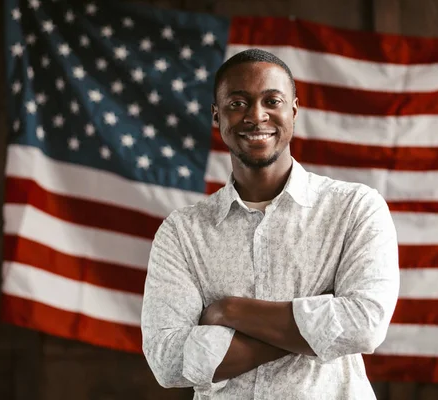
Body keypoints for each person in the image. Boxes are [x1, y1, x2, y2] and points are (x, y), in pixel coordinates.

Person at [141, 48, 400, 399]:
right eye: (237, 103)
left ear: (293, 110)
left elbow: (364, 324)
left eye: (272, 101)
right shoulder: (182, 232)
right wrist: (316, 326)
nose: (256, 115)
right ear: (216, 116)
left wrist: (229, 311)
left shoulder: (355, 208)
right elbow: (167, 360)